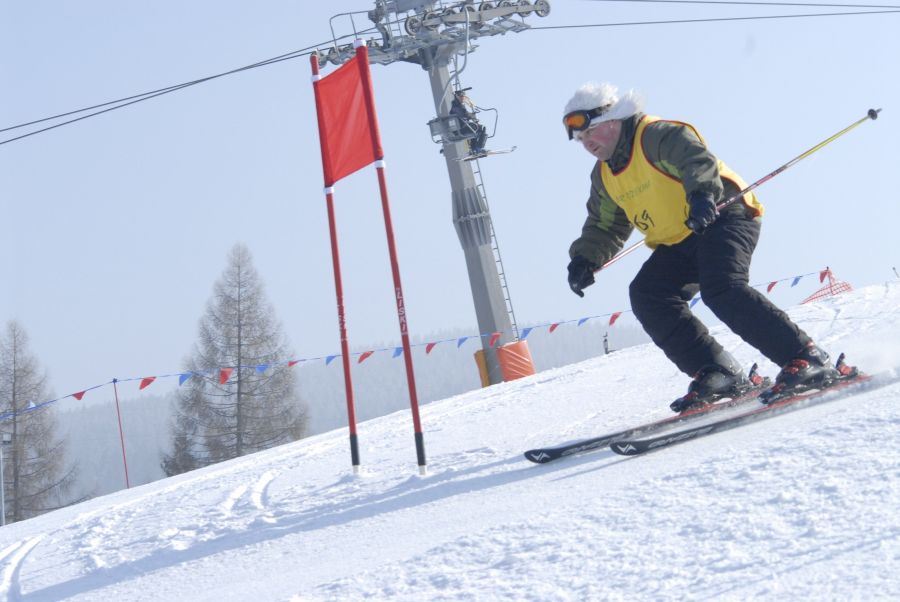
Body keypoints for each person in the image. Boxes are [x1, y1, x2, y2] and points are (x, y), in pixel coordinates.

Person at [562, 82, 845, 412]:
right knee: (648, 294)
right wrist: (584, 258)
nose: (588, 145)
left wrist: (701, 196)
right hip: (680, 239)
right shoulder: (604, 176)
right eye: (582, 141)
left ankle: (806, 358)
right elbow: (605, 225)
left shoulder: (655, 135)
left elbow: (694, 159)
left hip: (722, 215)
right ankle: (719, 371)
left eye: (591, 133)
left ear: (613, 120)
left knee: (722, 288)